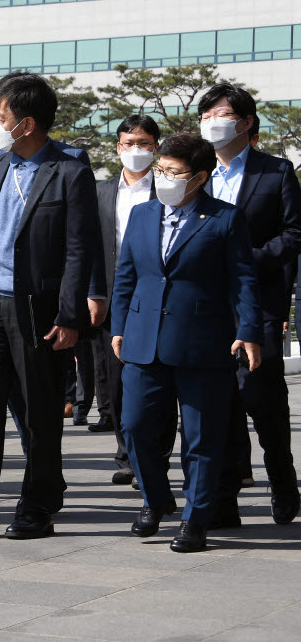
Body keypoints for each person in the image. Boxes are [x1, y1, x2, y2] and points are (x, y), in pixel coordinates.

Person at [0, 73, 101, 539]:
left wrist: (70, 315)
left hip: (39, 308)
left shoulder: (70, 169)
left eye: (1, 114)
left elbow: (79, 248)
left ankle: (38, 504)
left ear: (26, 123)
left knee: (38, 409)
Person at [111, 132, 262, 552]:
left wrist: (248, 330)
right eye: (160, 170)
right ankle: (156, 502)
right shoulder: (143, 214)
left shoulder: (224, 218)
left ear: (198, 178)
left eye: (173, 173)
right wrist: (119, 326)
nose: (163, 178)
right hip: (143, 340)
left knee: (202, 438)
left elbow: (243, 281)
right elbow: (126, 276)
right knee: (135, 426)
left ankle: (196, 520)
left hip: (202, 343)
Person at [195, 85, 301, 528]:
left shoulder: (275, 172)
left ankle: (281, 478)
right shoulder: (196, 172)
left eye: (218, 114)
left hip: (258, 304)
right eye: (204, 115)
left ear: (245, 122)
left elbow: (295, 234)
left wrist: (244, 260)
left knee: (262, 397)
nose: (210, 122)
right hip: (206, 307)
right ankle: (225, 496)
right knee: (218, 401)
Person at [88, 115, 181, 488]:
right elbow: (89, 246)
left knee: (157, 382)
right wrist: (93, 292)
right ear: (117, 147)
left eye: (143, 143)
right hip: (113, 299)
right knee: (116, 382)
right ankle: (127, 455)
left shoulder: (169, 188)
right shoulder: (101, 191)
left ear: (156, 147)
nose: (135, 150)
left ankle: (155, 458)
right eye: (128, 143)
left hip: (159, 297)